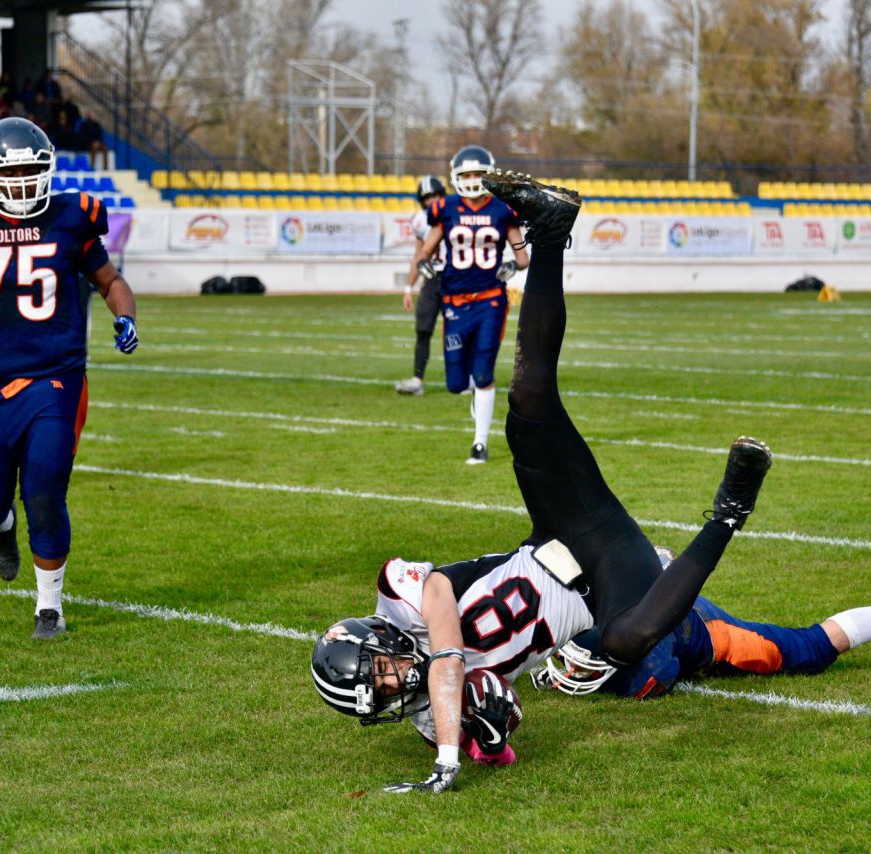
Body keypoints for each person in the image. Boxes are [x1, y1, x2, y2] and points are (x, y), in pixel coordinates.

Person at [312, 172, 774, 794]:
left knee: (527, 405)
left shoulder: (399, 595)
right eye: (386, 691)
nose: (397, 683)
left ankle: (550, 233)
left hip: (567, 529)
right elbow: (499, 738)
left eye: (385, 672)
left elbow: (445, 622)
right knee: (628, 639)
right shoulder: (430, 717)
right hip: (606, 583)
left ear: (381, 638)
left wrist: (449, 750)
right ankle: (729, 511)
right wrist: (495, 734)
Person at [0, 117, 140, 639]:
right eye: (10, 170)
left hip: (55, 377)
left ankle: (50, 608)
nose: (21, 181)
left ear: (47, 170)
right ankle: (1, 526)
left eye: (30, 169)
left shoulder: (72, 215)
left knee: (45, 488)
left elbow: (109, 279)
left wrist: (125, 314)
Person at [532, 555, 871, 700]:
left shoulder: (648, 667)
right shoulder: (572, 617)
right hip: (651, 603)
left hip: (703, 631)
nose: (567, 671)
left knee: (809, 649)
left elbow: (662, 671)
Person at [409, 147, 528, 463]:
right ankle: (476, 392)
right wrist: (423, 265)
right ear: (456, 177)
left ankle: (480, 443)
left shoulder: (503, 209)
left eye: (478, 174)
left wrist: (514, 268)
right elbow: (426, 250)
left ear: (489, 174)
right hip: (455, 302)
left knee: (484, 370)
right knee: (455, 383)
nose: (473, 180)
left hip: (491, 299)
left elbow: (522, 256)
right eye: (467, 175)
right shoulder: (445, 208)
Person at [393, 176, 447, 397]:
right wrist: (408, 287)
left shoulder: (455, 213)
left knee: (457, 332)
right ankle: (417, 379)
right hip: (431, 279)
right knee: (423, 329)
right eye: (427, 197)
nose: (432, 200)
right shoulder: (419, 221)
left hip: (455, 279)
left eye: (435, 195)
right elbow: (418, 255)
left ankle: (465, 378)